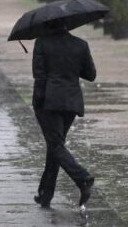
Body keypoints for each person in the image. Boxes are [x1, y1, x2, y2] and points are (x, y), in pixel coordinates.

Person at [32, 19, 96, 208]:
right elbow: (91, 74)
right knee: (56, 145)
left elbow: (39, 76)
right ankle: (45, 193)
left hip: (49, 102)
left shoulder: (42, 43)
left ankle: (82, 178)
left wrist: (37, 102)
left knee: (55, 145)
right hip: (71, 102)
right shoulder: (80, 44)